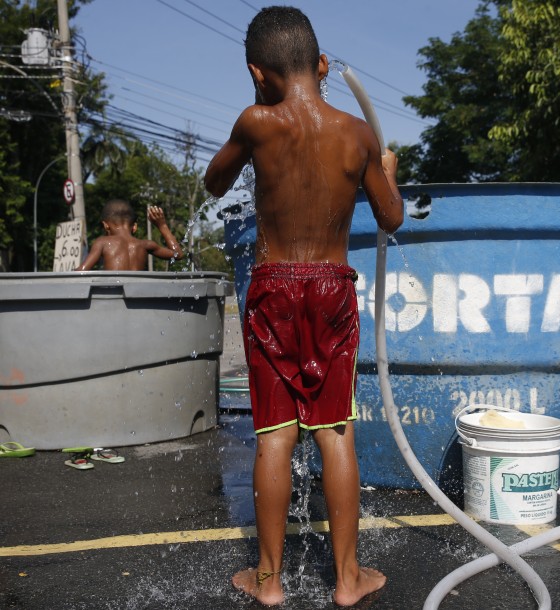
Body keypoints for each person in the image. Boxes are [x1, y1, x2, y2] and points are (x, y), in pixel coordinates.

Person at [204, 6, 403, 607]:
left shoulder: (256, 121)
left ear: (255, 72)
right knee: (335, 432)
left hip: (272, 288)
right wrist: (386, 172)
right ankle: (348, 579)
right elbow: (391, 218)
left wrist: (254, 115)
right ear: (321, 64)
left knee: (273, 435)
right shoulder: (357, 134)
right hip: (332, 289)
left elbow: (214, 184)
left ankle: (268, 582)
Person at [76, 200, 184, 271]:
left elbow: (81, 271)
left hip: (113, 301)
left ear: (105, 226)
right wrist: (162, 225)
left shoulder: (102, 242)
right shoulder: (145, 245)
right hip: (139, 299)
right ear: (135, 227)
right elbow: (178, 254)